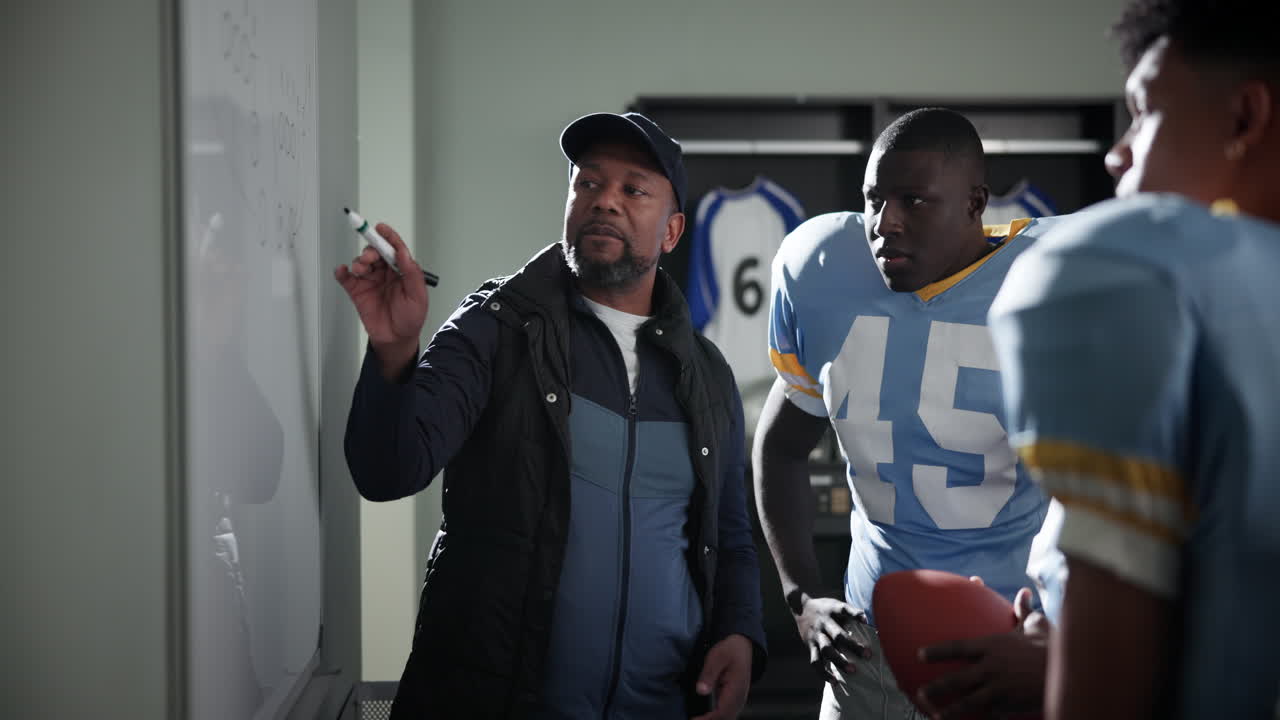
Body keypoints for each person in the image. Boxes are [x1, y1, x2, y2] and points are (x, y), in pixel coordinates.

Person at [335, 111, 766, 719]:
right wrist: (394, 352)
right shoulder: (497, 327)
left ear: (671, 232)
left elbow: (732, 536)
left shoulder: (707, 374)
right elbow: (388, 473)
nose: (605, 202)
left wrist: (740, 632)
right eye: (587, 183)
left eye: (632, 189)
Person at [988, 0, 1280, 717]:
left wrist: (1066, 663)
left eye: (1144, 113)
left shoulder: (1134, 277)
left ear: (1243, 118)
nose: (1117, 152)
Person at [753, 107, 1062, 719]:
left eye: (913, 201)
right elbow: (781, 446)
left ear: (976, 203)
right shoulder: (819, 268)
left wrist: (1065, 636)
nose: (884, 224)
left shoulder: (1054, 279)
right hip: (868, 647)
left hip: (1008, 646)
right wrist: (802, 596)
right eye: (874, 200)